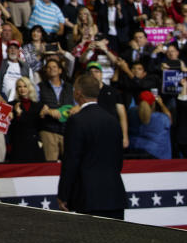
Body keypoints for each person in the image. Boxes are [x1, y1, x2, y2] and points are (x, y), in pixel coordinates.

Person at [56, 73, 127, 220]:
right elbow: (119, 160)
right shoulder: (113, 120)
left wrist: (64, 194)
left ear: (78, 93)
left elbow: (71, 161)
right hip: (115, 195)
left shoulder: (76, 121)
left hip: (88, 197)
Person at [128, 90, 172, 159]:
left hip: (133, 150)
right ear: (153, 104)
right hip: (156, 155)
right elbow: (169, 118)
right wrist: (161, 104)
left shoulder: (131, 113)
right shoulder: (161, 118)